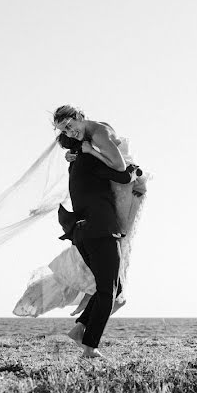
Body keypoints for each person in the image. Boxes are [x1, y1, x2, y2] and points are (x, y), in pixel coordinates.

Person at [56, 132, 139, 358]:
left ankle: (80, 327)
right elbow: (123, 177)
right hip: (100, 230)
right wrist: (134, 170)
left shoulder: (75, 165)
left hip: (85, 233)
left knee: (114, 288)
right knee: (107, 291)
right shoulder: (89, 159)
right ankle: (90, 347)